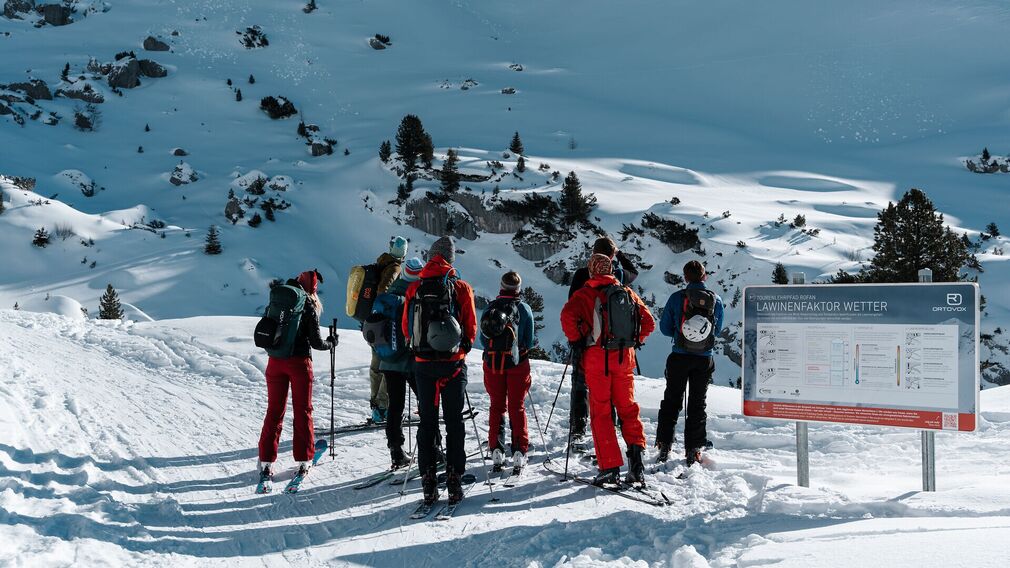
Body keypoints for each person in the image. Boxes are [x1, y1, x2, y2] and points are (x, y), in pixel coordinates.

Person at [561, 254, 655, 485]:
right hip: (624, 359)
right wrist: (634, 341)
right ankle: (637, 465)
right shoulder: (626, 293)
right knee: (628, 409)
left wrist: (578, 340)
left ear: (592, 271)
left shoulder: (584, 294)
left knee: (601, 413)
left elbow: (567, 318)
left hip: (597, 360)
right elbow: (649, 322)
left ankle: (610, 467)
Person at [402, 236, 477, 505]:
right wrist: (461, 351)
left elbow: (406, 329)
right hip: (453, 365)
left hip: (423, 367)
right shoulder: (461, 287)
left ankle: (428, 481)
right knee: (455, 422)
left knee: (427, 423)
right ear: (451, 259)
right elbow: (470, 329)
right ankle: (455, 479)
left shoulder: (415, 288)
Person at [257, 270, 336, 482]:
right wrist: (332, 343)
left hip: (275, 362)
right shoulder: (307, 304)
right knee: (302, 411)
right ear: (313, 290)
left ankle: (266, 462)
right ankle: (303, 460)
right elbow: (317, 342)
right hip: (299, 364)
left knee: (274, 411)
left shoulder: (279, 299)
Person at [567, 236, 639, 450]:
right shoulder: (618, 276)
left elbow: (571, 304)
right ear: (612, 255)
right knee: (614, 389)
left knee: (580, 384)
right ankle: (614, 425)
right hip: (617, 345)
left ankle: (578, 428)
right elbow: (633, 272)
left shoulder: (582, 275)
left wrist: (575, 337)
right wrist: (621, 255)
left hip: (588, 343)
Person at [657, 260, 724, 465]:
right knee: (697, 402)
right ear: (704, 276)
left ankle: (664, 443)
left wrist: (681, 334)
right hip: (704, 359)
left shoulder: (677, 298)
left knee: (672, 399)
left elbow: (665, 328)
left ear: (685, 278)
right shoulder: (715, 300)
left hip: (679, 355)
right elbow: (717, 330)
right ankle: (694, 448)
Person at [479, 270, 536, 473]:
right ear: (518, 289)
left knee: (496, 405)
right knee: (516, 406)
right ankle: (519, 451)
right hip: (517, 364)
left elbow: (483, 340)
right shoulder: (525, 309)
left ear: (501, 287)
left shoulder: (490, 308)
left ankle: (496, 449)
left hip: (493, 363)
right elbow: (528, 341)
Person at [373, 257, 424, 468]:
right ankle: (433, 448)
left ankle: (396, 451)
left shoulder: (387, 295)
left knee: (395, 406)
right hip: (408, 361)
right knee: (425, 402)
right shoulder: (412, 296)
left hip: (387, 360)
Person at [368, 235, 409, 423]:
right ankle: (382, 407)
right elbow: (384, 291)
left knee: (377, 363)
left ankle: (376, 406)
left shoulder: (381, 263)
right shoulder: (394, 268)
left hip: (373, 323)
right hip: (386, 323)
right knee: (389, 363)